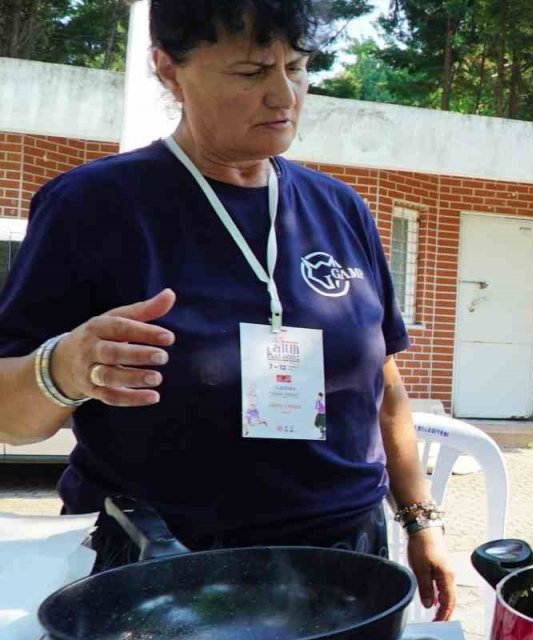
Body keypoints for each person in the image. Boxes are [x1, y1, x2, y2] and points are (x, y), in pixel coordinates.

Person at [0, 0, 454, 618]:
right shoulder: (92, 207)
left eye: (297, 66)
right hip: (167, 567)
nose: (283, 95)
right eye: (250, 72)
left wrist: (420, 519)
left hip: (349, 560)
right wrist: (64, 368)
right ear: (168, 70)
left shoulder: (340, 209)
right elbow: (9, 416)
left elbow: (384, 386)